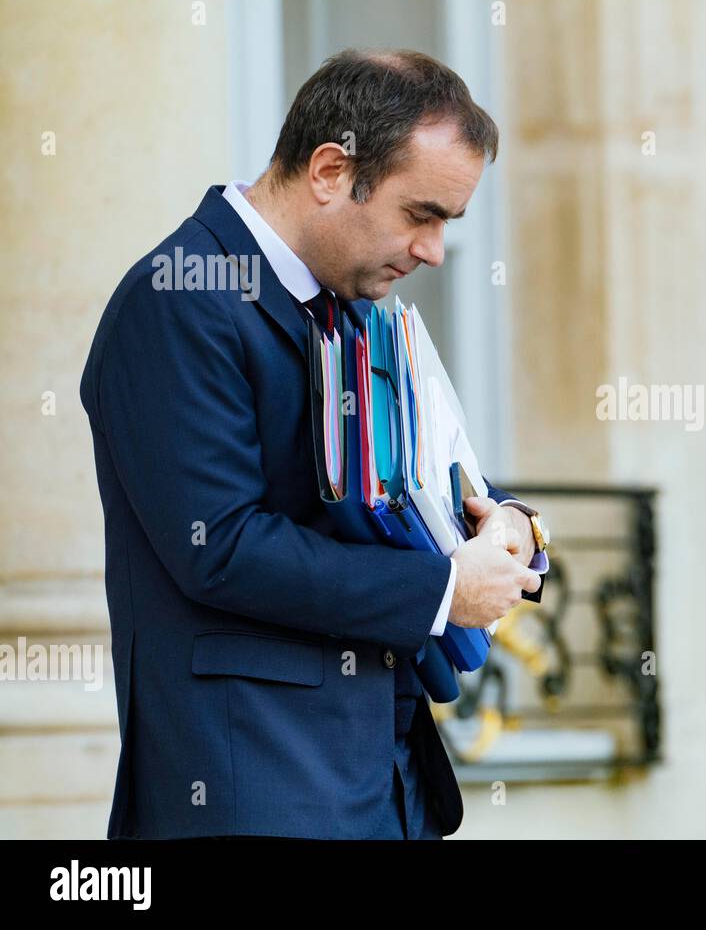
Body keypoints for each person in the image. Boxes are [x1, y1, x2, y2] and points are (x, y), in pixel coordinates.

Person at [79, 49, 550, 839]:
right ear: (330, 170)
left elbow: (417, 481)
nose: (434, 249)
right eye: (421, 213)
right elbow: (220, 545)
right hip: (253, 789)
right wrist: (441, 589)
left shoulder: (356, 305)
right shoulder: (175, 301)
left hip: (386, 786)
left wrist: (501, 524)